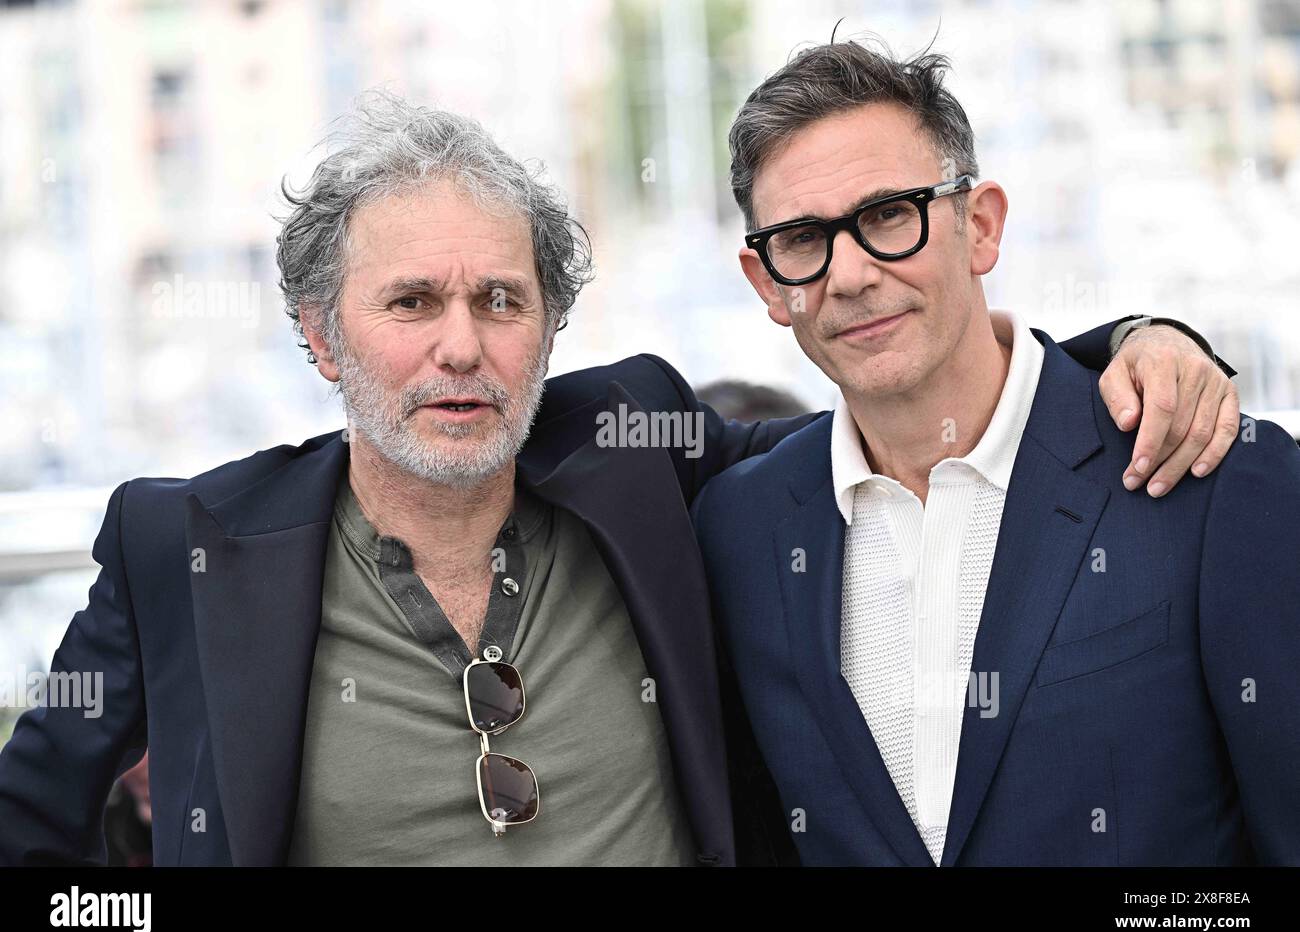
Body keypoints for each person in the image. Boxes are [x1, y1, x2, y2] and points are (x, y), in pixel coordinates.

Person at [0, 90, 1236, 866]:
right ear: (320, 333)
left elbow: (893, 411)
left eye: (501, 300)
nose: (461, 344)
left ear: (549, 331)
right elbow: (29, 819)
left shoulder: (637, 453)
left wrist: (1124, 345)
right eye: (410, 302)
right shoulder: (186, 540)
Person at [692, 38, 1299, 865]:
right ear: (767, 283)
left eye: (886, 216)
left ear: (980, 227)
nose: (852, 274)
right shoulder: (738, 531)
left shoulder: (1204, 465)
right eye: (802, 239)